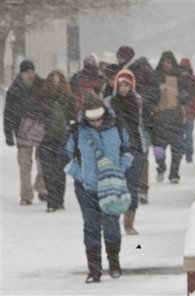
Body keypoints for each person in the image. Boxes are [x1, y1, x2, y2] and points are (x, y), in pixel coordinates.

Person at [65, 93, 133, 283]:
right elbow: (69, 155)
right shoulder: (77, 130)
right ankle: (94, 270)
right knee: (91, 227)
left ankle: (114, 263)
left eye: (99, 117)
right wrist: (81, 175)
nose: (96, 122)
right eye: (91, 118)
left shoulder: (117, 126)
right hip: (86, 189)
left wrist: (120, 169)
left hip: (112, 187)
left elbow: (127, 150)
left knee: (111, 227)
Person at [105, 69, 147, 235]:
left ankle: (129, 223)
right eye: (121, 84)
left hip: (136, 149)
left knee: (132, 187)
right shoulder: (109, 103)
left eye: (126, 85)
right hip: (116, 151)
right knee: (115, 187)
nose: (123, 88)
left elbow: (144, 124)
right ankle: (112, 222)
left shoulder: (138, 102)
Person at [3, 59, 48, 205]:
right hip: (22, 130)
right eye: (27, 72)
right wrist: (8, 133)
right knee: (24, 165)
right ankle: (26, 195)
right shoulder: (14, 90)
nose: (30, 75)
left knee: (43, 163)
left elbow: (50, 107)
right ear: (21, 73)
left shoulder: (43, 86)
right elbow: (8, 113)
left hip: (41, 129)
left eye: (32, 71)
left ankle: (41, 188)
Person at [38, 70, 76, 212]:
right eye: (53, 81)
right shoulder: (43, 97)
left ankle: (58, 201)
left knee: (59, 171)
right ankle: (52, 201)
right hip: (46, 138)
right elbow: (38, 114)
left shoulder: (68, 97)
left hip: (62, 138)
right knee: (48, 172)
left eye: (58, 81)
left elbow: (73, 116)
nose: (56, 84)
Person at [152, 51, 192, 184]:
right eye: (164, 62)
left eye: (169, 62)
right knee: (158, 148)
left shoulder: (180, 76)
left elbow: (189, 93)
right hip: (159, 120)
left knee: (177, 148)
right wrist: (154, 104)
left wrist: (182, 97)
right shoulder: (155, 77)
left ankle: (174, 173)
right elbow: (149, 95)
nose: (166, 65)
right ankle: (160, 166)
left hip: (176, 119)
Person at [131, 56, 160, 204]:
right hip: (141, 126)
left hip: (141, 126)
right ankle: (140, 189)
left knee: (140, 158)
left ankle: (139, 188)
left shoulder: (135, 83)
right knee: (141, 159)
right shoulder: (151, 81)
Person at [179, 58, 195, 163]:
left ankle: (183, 153)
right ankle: (188, 155)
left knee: (181, 134)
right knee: (188, 134)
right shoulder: (194, 80)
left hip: (179, 113)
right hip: (189, 113)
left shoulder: (178, 79)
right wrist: (193, 106)